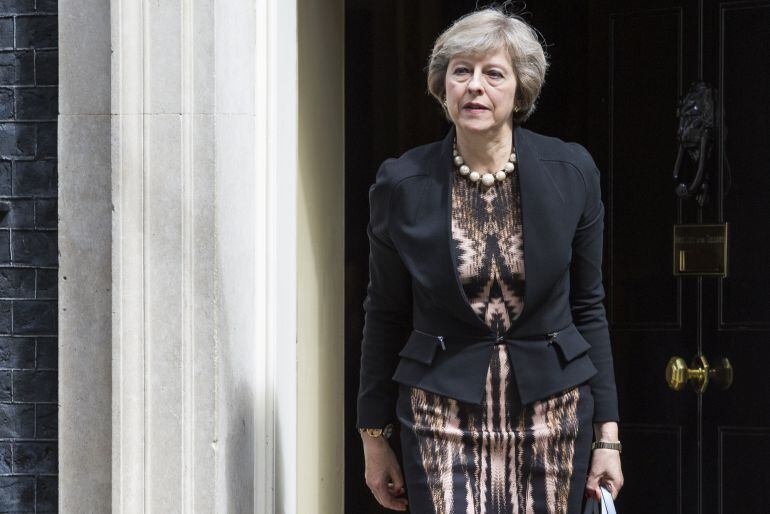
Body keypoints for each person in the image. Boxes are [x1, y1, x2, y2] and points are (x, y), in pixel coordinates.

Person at [356, 6, 624, 513]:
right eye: (461, 71)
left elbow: (589, 305)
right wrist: (373, 435)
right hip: (440, 414)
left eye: (492, 73)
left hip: (554, 414)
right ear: (442, 87)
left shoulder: (572, 172)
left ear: (520, 90)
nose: (474, 86)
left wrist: (607, 435)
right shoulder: (401, 182)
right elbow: (384, 312)